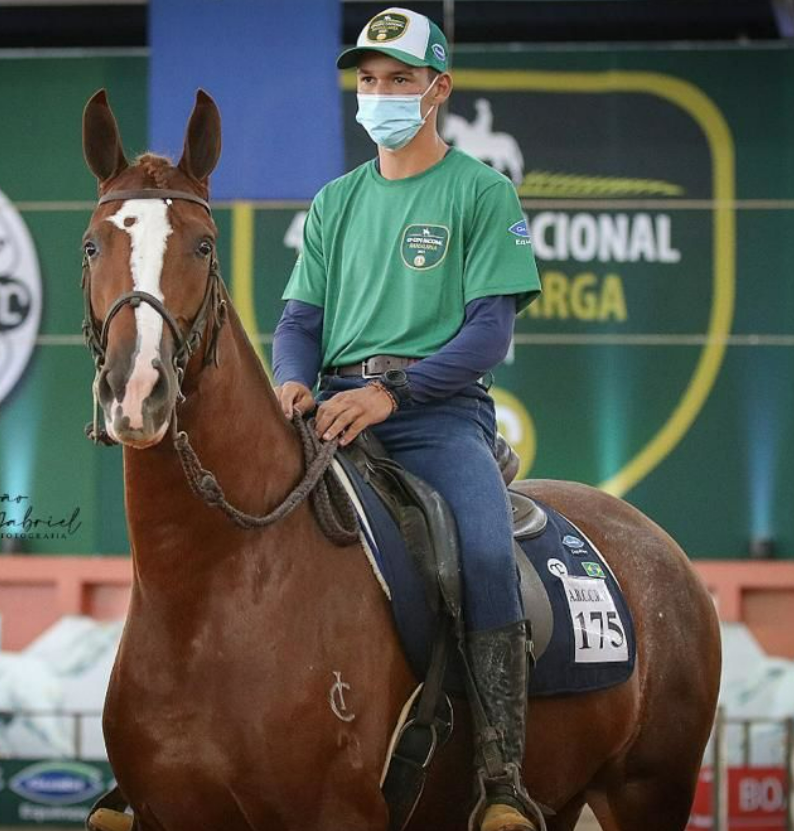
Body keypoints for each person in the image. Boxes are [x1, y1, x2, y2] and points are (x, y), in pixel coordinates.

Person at [270, 8, 543, 831]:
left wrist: (394, 393)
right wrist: (290, 383)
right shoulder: (335, 200)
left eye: (399, 79)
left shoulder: (481, 190)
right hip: (329, 413)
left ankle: (503, 776)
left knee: (488, 552)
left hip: (437, 416)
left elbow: (491, 330)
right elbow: (298, 324)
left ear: (438, 89)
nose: (381, 93)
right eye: (370, 80)